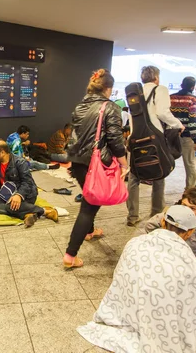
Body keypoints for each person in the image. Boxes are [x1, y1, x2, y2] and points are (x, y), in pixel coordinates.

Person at [78, 205, 196, 352]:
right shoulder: (188, 261)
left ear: (163, 222)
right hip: (164, 318)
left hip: (128, 310)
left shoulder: (135, 243)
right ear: (190, 232)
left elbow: (119, 278)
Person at [64, 69, 128, 268]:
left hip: (78, 161)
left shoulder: (80, 105)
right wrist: (124, 162)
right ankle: (70, 255)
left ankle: (90, 232)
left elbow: (75, 135)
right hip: (96, 163)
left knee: (89, 195)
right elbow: (116, 139)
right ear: (108, 89)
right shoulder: (109, 107)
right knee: (89, 207)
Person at [126, 66, 184, 226]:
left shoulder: (135, 92)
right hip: (155, 138)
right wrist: (178, 124)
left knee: (134, 177)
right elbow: (163, 113)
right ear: (156, 77)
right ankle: (156, 212)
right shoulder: (160, 90)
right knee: (160, 173)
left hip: (135, 137)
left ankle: (132, 216)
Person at [145, 187, 196, 282]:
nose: (186, 211)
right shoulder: (171, 213)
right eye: (184, 206)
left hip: (188, 261)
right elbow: (150, 225)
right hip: (164, 254)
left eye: (192, 208)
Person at [0, 139, 57, 227]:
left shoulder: (20, 162)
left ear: (2, 152)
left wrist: (18, 195)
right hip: (6, 194)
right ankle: (26, 214)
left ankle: (46, 211)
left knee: (10, 206)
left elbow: (28, 183)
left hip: (26, 194)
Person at [170, 76, 196, 189]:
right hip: (186, 136)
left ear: (181, 85)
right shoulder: (192, 99)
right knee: (189, 163)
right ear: (193, 87)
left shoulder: (171, 98)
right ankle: (190, 189)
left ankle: (158, 186)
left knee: (166, 160)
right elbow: (193, 120)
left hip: (171, 136)